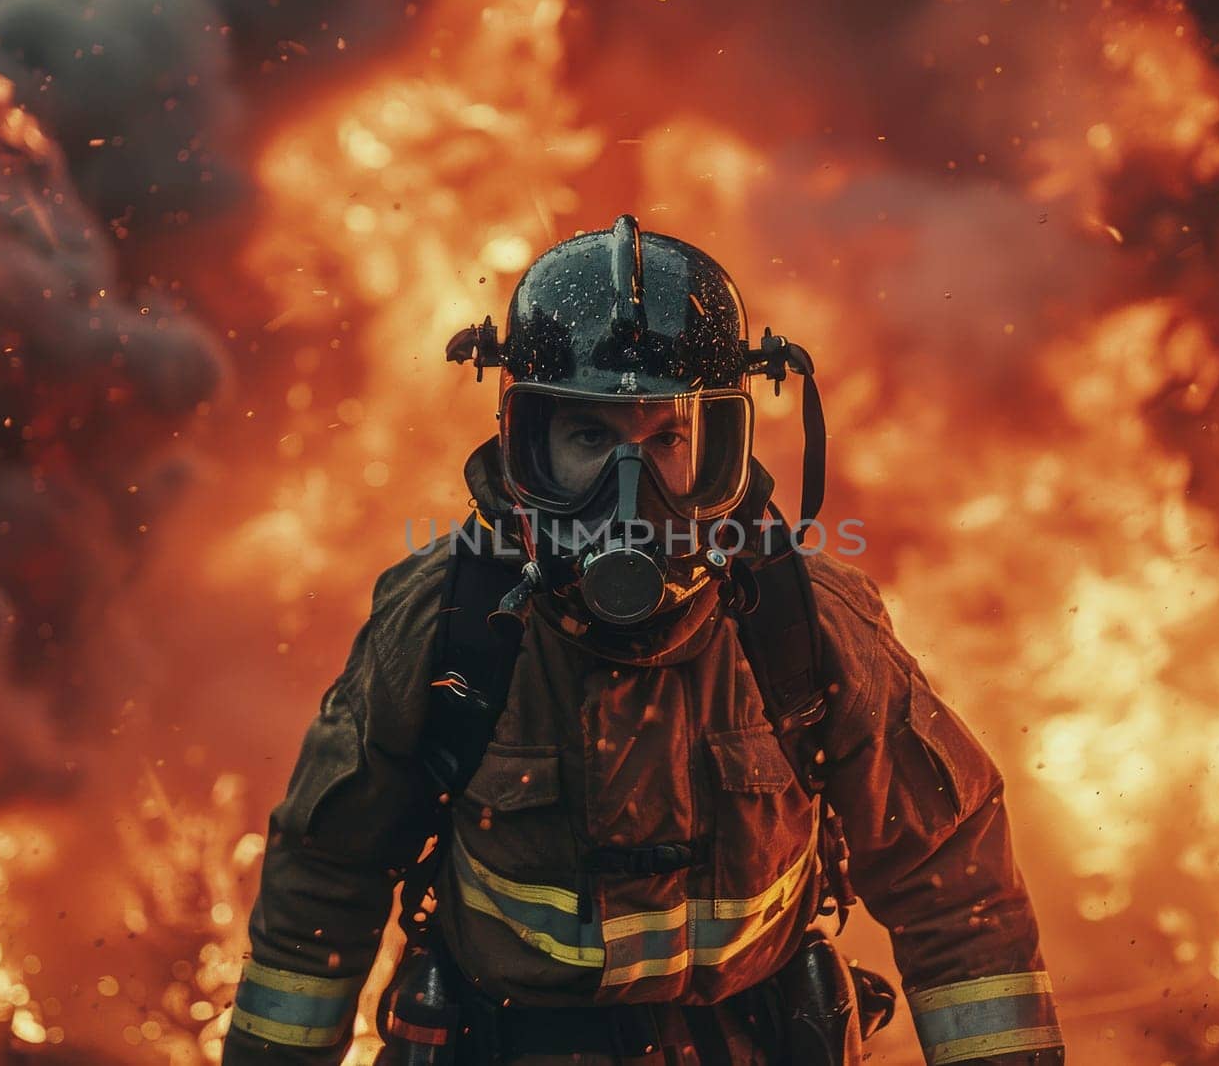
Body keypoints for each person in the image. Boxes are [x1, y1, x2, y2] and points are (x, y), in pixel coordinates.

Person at [223, 215, 1065, 1065]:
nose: (635, 493)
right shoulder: (447, 623)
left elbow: (955, 893)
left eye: (669, 438)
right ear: (528, 446)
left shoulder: (805, 624)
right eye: (591, 437)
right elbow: (322, 889)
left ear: (722, 447)